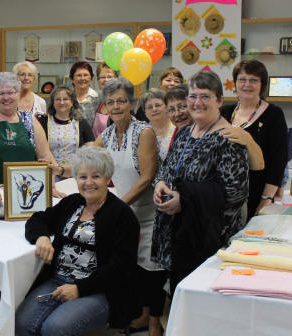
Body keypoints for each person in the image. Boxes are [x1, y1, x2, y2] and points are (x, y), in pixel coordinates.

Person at [16, 146, 140, 336]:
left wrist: (80, 289)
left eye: (96, 176)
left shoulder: (122, 215)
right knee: (22, 323)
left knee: (55, 328)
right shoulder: (73, 202)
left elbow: (121, 267)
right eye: (82, 177)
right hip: (57, 279)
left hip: (100, 289)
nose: (88, 183)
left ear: (108, 178)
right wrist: (41, 237)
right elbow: (37, 218)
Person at [152, 71, 249, 294]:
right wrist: (160, 184)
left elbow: (237, 192)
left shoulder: (228, 138)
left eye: (205, 96)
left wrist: (185, 201)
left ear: (219, 101)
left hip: (209, 240)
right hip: (178, 233)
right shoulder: (184, 133)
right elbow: (167, 169)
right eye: (193, 96)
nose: (197, 102)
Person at [95, 78, 164, 336]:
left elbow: (147, 178)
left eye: (121, 101)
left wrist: (117, 207)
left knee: (153, 271)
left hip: (151, 213)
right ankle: (142, 315)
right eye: (110, 102)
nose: (116, 106)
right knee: (134, 269)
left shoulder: (143, 132)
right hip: (127, 215)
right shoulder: (108, 134)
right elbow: (89, 157)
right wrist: (58, 168)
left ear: (131, 104)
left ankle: (155, 321)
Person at [220, 59, 288, 218]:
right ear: (235, 83)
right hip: (222, 195)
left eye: (253, 80)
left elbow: (279, 160)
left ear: (262, 84)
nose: (247, 84)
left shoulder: (274, 114)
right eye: (242, 79)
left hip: (256, 193)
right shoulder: (224, 112)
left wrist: (267, 198)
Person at [0, 72, 62, 193]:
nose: (6, 97)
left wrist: (52, 187)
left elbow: (45, 158)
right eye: (1, 93)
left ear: (18, 94)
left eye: (10, 92)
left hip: (29, 191)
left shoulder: (31, 122)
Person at [36, 85, 94, 180]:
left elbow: (91, 152)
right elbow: (40, 150)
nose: (61, 102)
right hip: (49, 174)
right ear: (53, 102)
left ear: (72, 102)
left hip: (76, 174)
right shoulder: (42, 122)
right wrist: (57, 169)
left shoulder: (82, 123)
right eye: (58, 99)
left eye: (65, 99)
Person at [143, 88, 176, 161]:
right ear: (145, 112)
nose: (154, 109)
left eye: (158, 105)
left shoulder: (178, 129)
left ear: (167, 107)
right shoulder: (141, 131)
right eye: (150, 107)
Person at [70, 61, 100, 128]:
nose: (82, 78)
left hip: (94, 137)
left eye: (85, 75)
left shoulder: (98, 98)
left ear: (91, 78)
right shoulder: (67, 98)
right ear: (72, 79)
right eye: (79, 75)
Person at [93, 62, 119, 137]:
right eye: (102, 77)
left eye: (110, 77)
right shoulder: (97, 102)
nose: (106, 80)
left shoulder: (122, 103)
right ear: (98, 80)